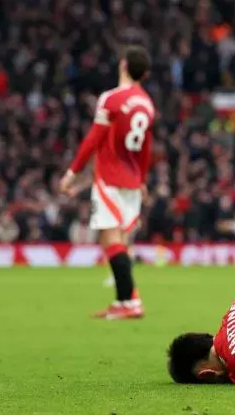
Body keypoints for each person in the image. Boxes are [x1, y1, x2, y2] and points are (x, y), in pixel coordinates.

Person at [59, 45, 155, 320]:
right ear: (144, 74)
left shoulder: (111, 99)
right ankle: (124, 301)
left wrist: (72, 172)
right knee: (117, 240)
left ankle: (130, 303)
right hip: (132, 179)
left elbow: (94, 138)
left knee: (110, 239)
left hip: (110, 177)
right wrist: (142, 179)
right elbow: (146, 147)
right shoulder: (147, 104)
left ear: (123, 65)